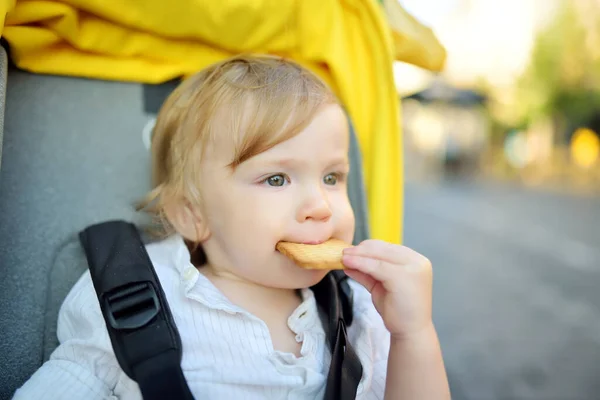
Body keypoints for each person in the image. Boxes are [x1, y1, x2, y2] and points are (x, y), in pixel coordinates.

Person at [13, 55, 450, 399]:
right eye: (276, 178)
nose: (321, 206)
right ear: (191, 215)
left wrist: (413, 335)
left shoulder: (360, 310)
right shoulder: (133, 297)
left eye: (332, 177)